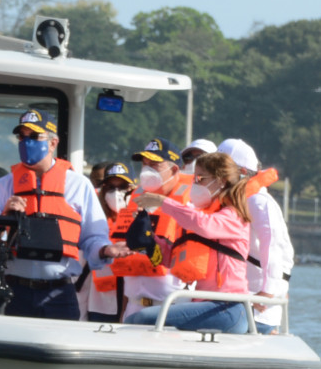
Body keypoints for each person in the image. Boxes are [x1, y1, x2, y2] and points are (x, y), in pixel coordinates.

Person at [0, 109, 110, 320]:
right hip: (13, 291)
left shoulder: (79, 185)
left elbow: (93, 237)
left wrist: (105, 250)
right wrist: (5, 217)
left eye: (34, 136)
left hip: (59, 293)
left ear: (53, 143)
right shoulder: (1, 187)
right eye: (22, 136)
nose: (26, 142)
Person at [124, 152, 254, 333]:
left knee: (142, 318)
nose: (195, 183)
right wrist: (150, 240)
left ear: (222, 181)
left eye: (200, 178)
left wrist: (163, 202)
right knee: (134, 319)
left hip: (227, 308)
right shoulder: (205, 217)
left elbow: (204, 225)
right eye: (194, 178)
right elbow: (172, 258)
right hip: (204, 305)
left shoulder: (234, 216)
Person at [218, 138, 295, 333]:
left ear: (242, 172)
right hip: (237, 303)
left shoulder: (259, 201)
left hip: (257, 310)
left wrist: (267, 292)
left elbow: (274, 248)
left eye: (221, 169)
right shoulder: (236, 200)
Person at [110, 139, 189, 316]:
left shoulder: (190, 206)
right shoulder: (134, 200)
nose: (147, 170)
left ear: (174, 170)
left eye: (154, 165)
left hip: (172, 307)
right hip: (133, 305)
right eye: (145, 164)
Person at [82, 162, 138, 322]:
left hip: (133, 303)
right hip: (100, 303)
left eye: (123, 187)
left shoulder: (144, 221)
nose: (116, 193)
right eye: (110, 187)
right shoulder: (94, 225)